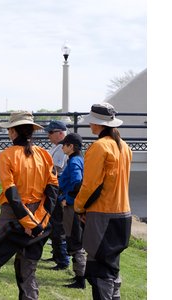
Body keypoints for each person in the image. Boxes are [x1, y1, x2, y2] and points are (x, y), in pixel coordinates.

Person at [0, 111, 58, 300]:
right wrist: (38, 222)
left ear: (13, 132)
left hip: (14, 217)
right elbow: (53, 191)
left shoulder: (7, 155)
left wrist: (28, 223)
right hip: (40, 217)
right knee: (28, 269)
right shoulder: (45, 155)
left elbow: (12, 193)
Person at [74, 103, 132, 299]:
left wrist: (79, 207)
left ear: (95, 123)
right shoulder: (124, 146)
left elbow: (90, 186)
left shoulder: (99, 147)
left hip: (103, 215)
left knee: (100, 270)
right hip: (123, 213)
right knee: (112, 267)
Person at [58, 133, 86, 289]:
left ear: (71, 146)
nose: (62, 147)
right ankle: (78, 276)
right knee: (74, 240)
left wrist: (67, 199)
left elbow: (78, 183)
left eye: (64, 144)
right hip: (75, 206)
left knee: (75, 241)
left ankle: (80, 279)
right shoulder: (78, 159)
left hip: (72, 207)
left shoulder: (74, 161)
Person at [42, 120, 70, 270]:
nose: (48, 135)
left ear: (60, 133)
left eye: (51, 133)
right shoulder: (57, 146)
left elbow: (56, 169)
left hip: (57, 188)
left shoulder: (62, 148)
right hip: (54, 187)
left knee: (57, 224)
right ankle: (57, 255)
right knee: (53, 222)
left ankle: (63, 259)